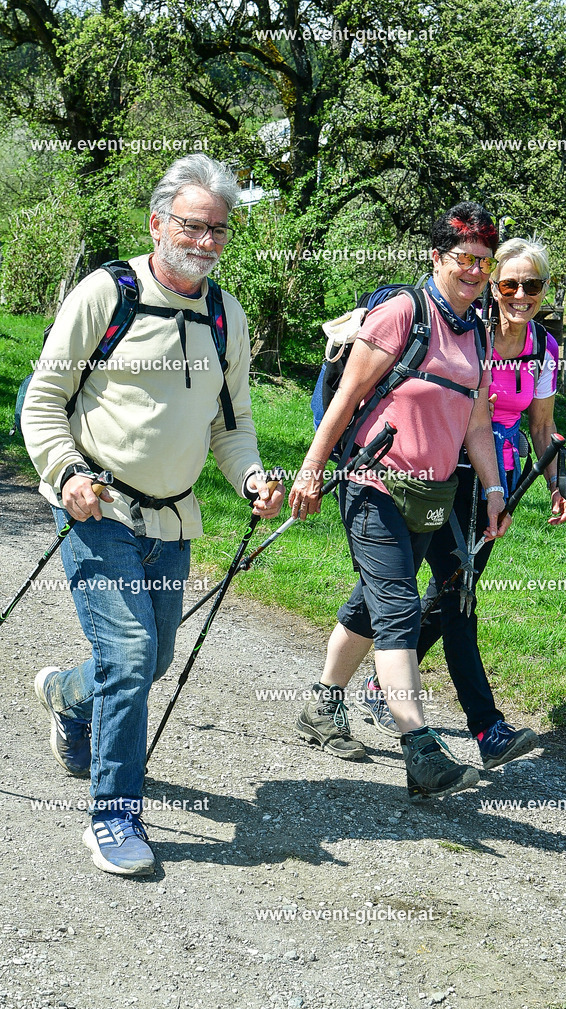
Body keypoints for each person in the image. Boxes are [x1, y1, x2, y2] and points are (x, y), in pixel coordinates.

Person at [22, 154, 284, 876]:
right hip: (96, 506)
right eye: (191, 226)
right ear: (158, 221)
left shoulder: (226, 315)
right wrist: (67, 472)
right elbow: (41, 402)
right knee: (132, 658)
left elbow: (232, 428)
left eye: (217, 231)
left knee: (150, 658)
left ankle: (67, 698)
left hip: (173, 520)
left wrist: (253, 477)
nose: (203, 242)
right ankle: (114, 817)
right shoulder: (107, 294)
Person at [288, 202, 511, 800]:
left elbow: (478, 424)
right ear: (436, 257)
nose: (474, 271)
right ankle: (419, 749)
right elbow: (345, 400)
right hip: (373, 483)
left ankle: (321, 705)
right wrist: (311, 471)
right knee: (398, 606)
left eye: (484, 262)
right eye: (464, 258)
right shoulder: (401, 314)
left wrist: (492, 490)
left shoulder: (479, 333)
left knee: (370, 603)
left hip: (432, 494)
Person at [359, 237, 566, 770]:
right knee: (425, 593)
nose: (521, 294)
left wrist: (554, 483)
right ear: (494, 286)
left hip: (491, 488)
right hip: (434, 475)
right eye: (509, 283)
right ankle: (485, 726)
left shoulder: (543, 348)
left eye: (533, 285)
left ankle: (375, 688)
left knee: (449, 593)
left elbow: (541, 427)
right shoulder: (467, 330)